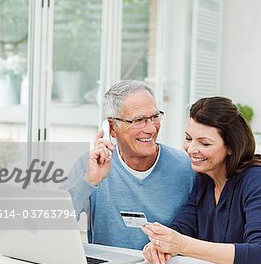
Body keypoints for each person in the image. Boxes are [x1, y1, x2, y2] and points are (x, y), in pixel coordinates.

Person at [141, 96, 261, 264]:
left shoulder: (257, 180)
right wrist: (160, 245)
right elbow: (182, 228)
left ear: (231, 147)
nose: (191, 150)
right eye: (189, 139)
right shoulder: (205, 178)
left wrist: (182, 245)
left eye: (205, 143)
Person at [63, 80, 195, 250]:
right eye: (138, 120)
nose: (151, 129)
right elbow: (53, 224)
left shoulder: (186, 169)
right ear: (111, 128)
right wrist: (89, 181)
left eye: (154, 117)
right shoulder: (91, 164)